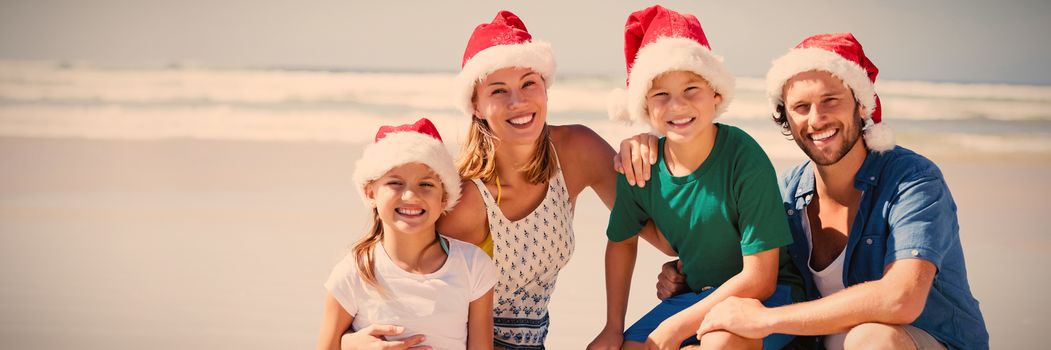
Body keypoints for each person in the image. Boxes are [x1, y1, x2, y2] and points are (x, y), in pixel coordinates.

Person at [629, 33, 989, 349]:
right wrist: (685, 273)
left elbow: (901, 300)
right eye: (801, 107)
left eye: (830, 100)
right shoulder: (787, 193)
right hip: (811, 344)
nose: (816, 119)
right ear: (786, 117)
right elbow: (752, 271)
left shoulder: (912, 179)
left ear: (861, 105)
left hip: (916, 340)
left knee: (872, 340)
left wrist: (769, 321)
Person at [433, 10, 666, 349]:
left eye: (529, 83)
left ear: (545, 87)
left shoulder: (575, 152)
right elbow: (407, 279)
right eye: (498, 91)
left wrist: (655, 143)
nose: (519, 101)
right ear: (476, 105)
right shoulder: (465, 199)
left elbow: (659, 233)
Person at [588, 5, 804, 350]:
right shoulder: (641, 166)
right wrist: (613, 327)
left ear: (716, 94)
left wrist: (674, 329)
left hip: (769, 298)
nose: (677, 106)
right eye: (661, 95)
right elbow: (621, 241)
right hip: (698, 296)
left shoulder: (743, 157)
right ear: (644, 107)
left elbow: (761, 279)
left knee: (715, 344)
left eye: (691, 89)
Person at [316, 118, 497, 350]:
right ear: (370, 193)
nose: (411, 196)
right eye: (395, 183)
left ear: (444, 197)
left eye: (426, 184)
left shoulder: (473, 265)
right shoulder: (354, 272)